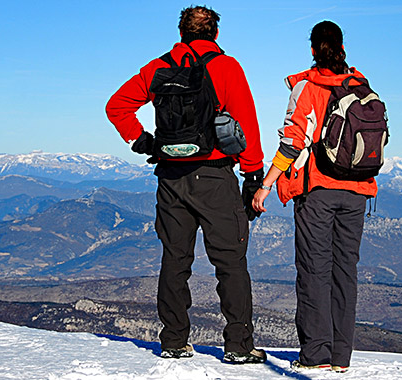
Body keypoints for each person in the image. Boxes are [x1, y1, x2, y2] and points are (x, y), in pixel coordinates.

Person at [105, 5, 266, 364]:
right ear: (215, 34)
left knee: (175, 260)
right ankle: (239, 345)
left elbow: (116, 106)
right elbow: (246, 124)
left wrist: (141, 140)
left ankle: (174, 341)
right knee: (231, 263)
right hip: (214, 175)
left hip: (170, 177)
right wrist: (252, 174)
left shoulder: (157, 67)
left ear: (181, 33)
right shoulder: (226, 67)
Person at [251, 20, 378, 373]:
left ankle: (317, 355)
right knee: (345, 272)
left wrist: (266, 184)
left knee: (313, 270)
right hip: (357, 192)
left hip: (317, 191)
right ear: (342, 47)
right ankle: (341, 357)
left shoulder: (308, 87)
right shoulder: (362, 87)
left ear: (312, 49)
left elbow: (293, 141)